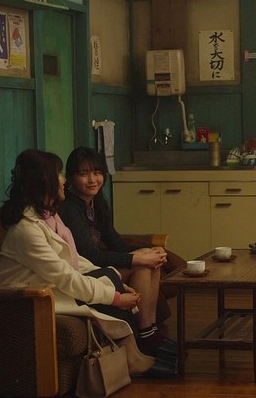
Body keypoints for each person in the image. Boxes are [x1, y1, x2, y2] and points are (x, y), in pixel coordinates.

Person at [0, 149, 175, 378]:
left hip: (48, 285)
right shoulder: (27, 230)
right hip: (27, 299)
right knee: (108, 286)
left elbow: (76, 261)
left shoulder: (48, 216)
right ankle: (134, 358)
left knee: (109, 278)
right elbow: (66, 275)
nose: (63, 181)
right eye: (59, 175)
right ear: (44, 182)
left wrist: (115, 281)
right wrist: (116, 297)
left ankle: (136, 352)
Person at [58, 146, 181, 356]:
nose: (92, 180)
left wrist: (148, 251)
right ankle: (146, 336)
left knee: (150, 259)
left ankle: (151, 331)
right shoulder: (69, 209)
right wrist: (138, 258)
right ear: (70, 178)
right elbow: (90, 255)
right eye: (84, 174)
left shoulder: (96, 203)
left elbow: (116, 243)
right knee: (142, 266)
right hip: (86, 273)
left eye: (97, 172)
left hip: (99, 267)